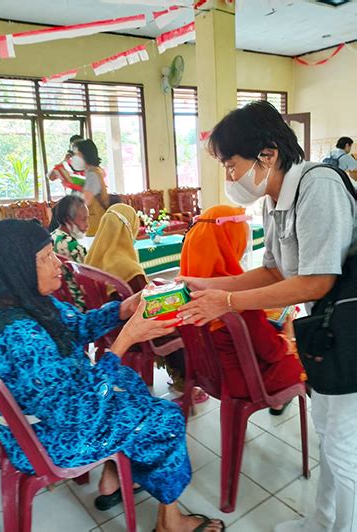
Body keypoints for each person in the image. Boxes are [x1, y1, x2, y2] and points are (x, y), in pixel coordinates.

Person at [0, 219, 224, 532]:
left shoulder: (20, 302)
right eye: (46, 257)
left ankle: (113, 478)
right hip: (47, 438)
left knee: (127, 381)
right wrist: (125, 339)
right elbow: (79, 411)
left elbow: (78, 327)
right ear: (17, 266)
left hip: (44, 414)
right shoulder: (19, 335)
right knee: (167, 418)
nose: (58, 263)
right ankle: (169, 522)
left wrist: (123, 309)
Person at [176, 100, 357, 532]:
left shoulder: (319, 186)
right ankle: (321, 521)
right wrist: (212, 285)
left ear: (268, 154)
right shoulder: (274, 201)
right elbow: (274, 270)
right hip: (325, 330)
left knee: (344, 446)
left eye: (230, 164)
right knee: (328, 435)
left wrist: (229, 303)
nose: (229, 177)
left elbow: (317, 281)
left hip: (349, 329)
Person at [180, 204, 304, 411]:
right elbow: (272, 352)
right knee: (304, 352)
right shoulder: (234, 300)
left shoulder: (186, 287)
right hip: (246, 382)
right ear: (230, 241)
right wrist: (289, 337)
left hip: (208, 375)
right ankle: (280, 401)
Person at [86, 203, 209, 402]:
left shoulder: (91, 258)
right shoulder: (126, 266)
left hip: (106, 329)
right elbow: (149, 305)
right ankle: (185, 381)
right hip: (128, 329)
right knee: (181, 325)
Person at [74, 139, 121, 236]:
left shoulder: (92, 174)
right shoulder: (96, 171)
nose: (75, 158)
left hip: (94, 222)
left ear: (85, 155)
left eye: (77, 154)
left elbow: (87, 201)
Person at [52, 195, 89, 311]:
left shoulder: (53, 236)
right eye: (83, 219)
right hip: (78, 303)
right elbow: (89, 279)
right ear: (68, 219)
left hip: (61, 300)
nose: (87, 224)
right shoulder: (72, 245)